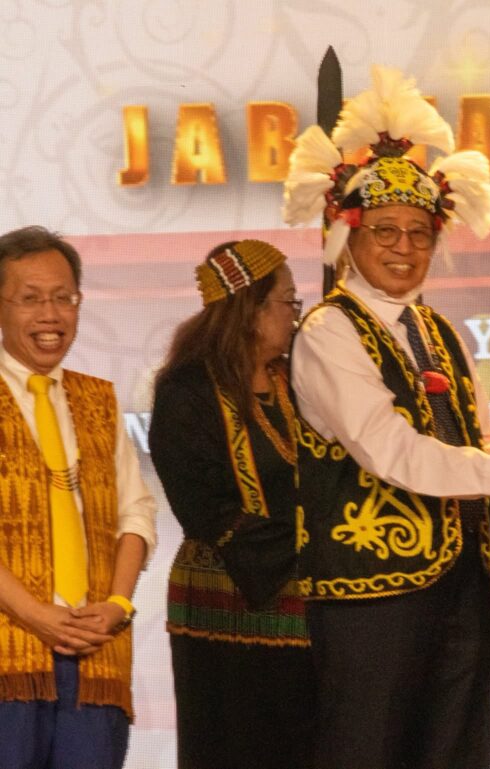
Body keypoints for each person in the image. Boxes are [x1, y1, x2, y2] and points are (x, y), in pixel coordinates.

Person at [282, 65, 490, 769]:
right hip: (372, 596)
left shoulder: (437, 329)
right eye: (385, 229)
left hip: (467, 587)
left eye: (420, 232)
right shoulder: (329, 330)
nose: (404, 247)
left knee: (458, 754)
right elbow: (392, 451)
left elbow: (476, 442)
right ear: (348, 233)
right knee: (369, 753)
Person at [148, 240, 314, 769]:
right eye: (288, 301)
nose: (295, 314)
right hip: (222, 604)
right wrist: (303, 546)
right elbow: (201, 504)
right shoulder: (187, 389)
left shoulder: (298, 381)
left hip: (306, 602)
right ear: (251, 309)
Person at [0, 226, 157, 769]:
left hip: (95, 658)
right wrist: (34, 614)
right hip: (9, 658)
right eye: (30, 299)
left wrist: (117, 605)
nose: (51, 315)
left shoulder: (99, 399)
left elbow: (136, 513)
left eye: (64, 298)